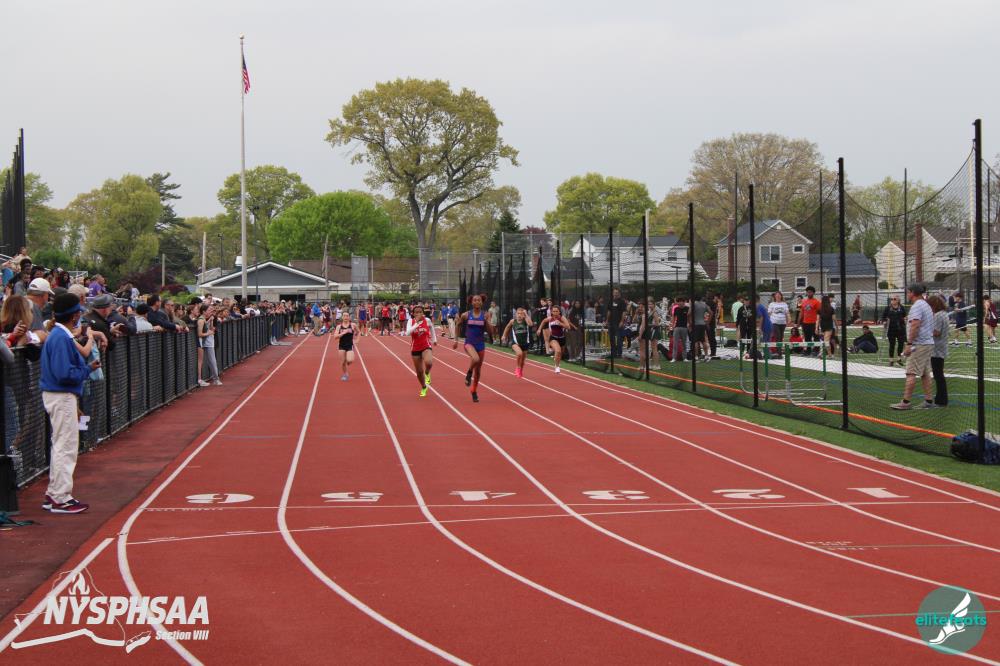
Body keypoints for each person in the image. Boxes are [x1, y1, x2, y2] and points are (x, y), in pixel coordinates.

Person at [41, 292, 100, 514]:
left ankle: (55, 493)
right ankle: (60, 497)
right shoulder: (60, 337)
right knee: (65, 447)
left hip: (59, 394)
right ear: (74, 315)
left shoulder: (59, 335)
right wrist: (87, 369)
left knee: (61, 445)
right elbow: (64, 374)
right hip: (61, 394)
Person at [890, 284, 935, 410]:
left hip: (919, 344)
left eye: (908, 292)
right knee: (925, 373)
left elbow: (915, 325)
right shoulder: (925, 305)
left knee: (911, 372)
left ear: (912, 293)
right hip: (927, 343)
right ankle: (929, 400)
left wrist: (909, 344)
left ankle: (906, 402)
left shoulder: (917, 306)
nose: (907, 294)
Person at [454, 294, 495, 402]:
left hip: (480, 344)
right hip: (469, 343)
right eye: (475, 300)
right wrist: (456, 340)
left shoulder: (486, 315)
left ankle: (474, 390)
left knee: (478, 371)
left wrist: (487, 322)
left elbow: (490, 331)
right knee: (475, 359)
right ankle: (469, 373)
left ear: (482, 302)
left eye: (479, 300)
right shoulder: (466, 315)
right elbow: (457, 325)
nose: (477, 302)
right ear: (471, 302)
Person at [407, 304, 437, 397]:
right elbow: (407, 332)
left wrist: (434, 339)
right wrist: (416, 324)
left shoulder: (427, 320)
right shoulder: (410, 321)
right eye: (416, 312)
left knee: (429, 362)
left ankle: (427, 372)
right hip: (415, 348)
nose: (418, 314)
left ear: (423, 313)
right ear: (413, 314)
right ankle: (424, 387)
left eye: (420, 312)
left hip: (426, 345)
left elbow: (432, 328)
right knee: (419, 372)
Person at [536, 304, 575, 374]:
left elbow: (568, 327)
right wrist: (539, 329)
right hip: (553, 338)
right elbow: (543, 321)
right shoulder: (550, 318)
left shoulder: (562, 318)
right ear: (551, 312)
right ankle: (557, 367)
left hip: (562, 338)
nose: (555, 313)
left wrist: (561, 324)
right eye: (553, 311)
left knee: (560, 353)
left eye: (556, 311)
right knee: (558, 351)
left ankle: (557, 360)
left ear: (559, 312)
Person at [501, 307, 534, 378]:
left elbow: (531, 324)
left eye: (521, 314)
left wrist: (526, 315)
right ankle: (517, 368)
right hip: (515, 343)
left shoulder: (525, 321)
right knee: (519, 353)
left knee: (523, 361)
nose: (519, 315)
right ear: (516, 314)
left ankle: (520, 369)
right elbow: (507, 327)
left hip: (525, 343)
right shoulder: (513, 321)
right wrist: (504, 335)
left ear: (523, 315)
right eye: (518, 313)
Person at [929, 294, 949, 407]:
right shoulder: (944, 314)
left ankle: (941, 400)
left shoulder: (937, 316)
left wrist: (926, 331)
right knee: (939, 374)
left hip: (936, 348)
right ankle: (940, 398)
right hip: (942, 346)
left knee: (938, 375)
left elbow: (936, 332)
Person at [197, 303, 221, 386]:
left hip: (208, 343)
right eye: (209, 310)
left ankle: (215, 379)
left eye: (211, 310)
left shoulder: (206, 319)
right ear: (204, 311)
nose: (211, 311)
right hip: (204, 343)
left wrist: (211, 321)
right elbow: (200, 334)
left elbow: (211, 329)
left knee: (211, 361)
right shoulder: (201, 320)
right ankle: (215, 379)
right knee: (210, 361)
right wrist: (209, 333)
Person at [881, 296, 907, 367]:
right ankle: (891, 360)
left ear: (898, 300)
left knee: (901, 344)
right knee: (892, 344)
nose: (892, 300)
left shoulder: (901, 307)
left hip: (900, 329)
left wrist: (905, 319)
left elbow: (904, 316)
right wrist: (884, 321)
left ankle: (899, 359)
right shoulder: (888, 308)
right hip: (891, 329)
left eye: (894, 299)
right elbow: (883, 317)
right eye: (891, 299)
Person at [333, 311, 359, 381]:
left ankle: (347, 360)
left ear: (349, 317)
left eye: (347, 316)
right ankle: (345, 374)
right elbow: (335, 337)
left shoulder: (353, 325)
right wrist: (342, 333)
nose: (346, 317)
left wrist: (357, 340)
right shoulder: (339, 326)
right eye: (344, 316)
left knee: (350, 360)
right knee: (342, 362)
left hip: (350, 345)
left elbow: (358, 332)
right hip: (342, 345)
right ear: (342, 317)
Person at [799, 286, 820, 356]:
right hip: (805, 323)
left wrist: (818, 323)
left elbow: (819, 313)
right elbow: (802, 313)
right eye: (808, 292)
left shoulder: (816, 302)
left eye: (810, 292)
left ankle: (816, 351)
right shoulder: (804, 301)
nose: (809, 293)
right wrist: (799, 322)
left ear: (813, 293)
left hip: (814, 323)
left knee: (816, 337)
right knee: (807, 338)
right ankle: (808, 351)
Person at [668, 297, 688, 363]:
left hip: (684, 327)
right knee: (675, 343)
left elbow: (689, 317)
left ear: (684, 302)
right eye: (678, 302)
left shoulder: (687, 308)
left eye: (681, 301)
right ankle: (674, 358)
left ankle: (685, 358)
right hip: (677, 327)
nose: (680, 303)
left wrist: (689, 325)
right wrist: (672, 326)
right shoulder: (676, 309)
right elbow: (673, 318)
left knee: (684, 343)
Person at [607, 288, 626, 357]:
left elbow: (624, 312)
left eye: (617, 292)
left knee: (619, 338)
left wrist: (622, 321)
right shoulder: (610, 301)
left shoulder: (622, 301)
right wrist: (607, 320)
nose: (615, 294)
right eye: (614, 292)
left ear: (619, 293)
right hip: (611, 322)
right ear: (612, 293)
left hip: (618, 322)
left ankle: (619, 353)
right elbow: (609, 311)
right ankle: (613, 353)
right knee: (611, 338)